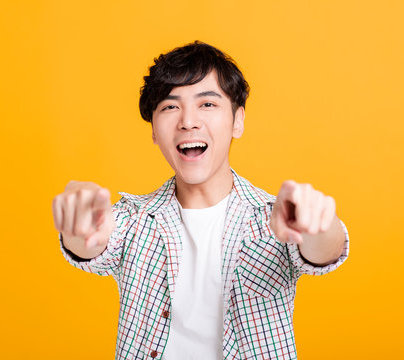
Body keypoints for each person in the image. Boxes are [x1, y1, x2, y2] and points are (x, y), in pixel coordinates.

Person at [52, 41, 349, 360]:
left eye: (207, 104)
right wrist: (79, 224)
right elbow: (90, 242)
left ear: (238, 121)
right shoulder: (132, 219)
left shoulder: (274, 218)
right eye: (169, 106)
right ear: (153, 129)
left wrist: (317, 223)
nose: (188, 121)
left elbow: (324, 251)